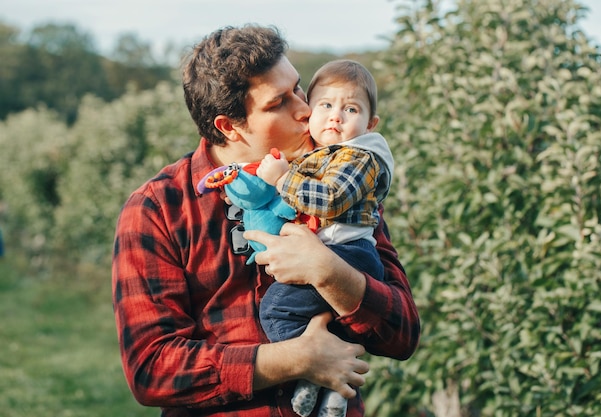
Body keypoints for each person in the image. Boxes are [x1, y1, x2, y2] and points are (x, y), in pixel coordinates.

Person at [111, 24, 420, 417]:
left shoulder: (336, 177)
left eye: (299, 88)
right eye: (279, 103)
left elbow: (403, 333)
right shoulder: (160, 209)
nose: (306, 109)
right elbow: (152, 370)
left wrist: (329, 272)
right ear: (229, 125)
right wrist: (294, 360)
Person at [255, 59, 393, 417]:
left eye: (351, 109)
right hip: (345, 252)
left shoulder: (360, 157)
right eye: (325, 106)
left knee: (275, 310)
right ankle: (334, 390)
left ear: (370, 124)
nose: (336, 117)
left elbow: (328, 199)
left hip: (349, 253)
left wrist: (282, 180)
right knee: (333, 322)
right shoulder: (320, 156)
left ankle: (312, 372)